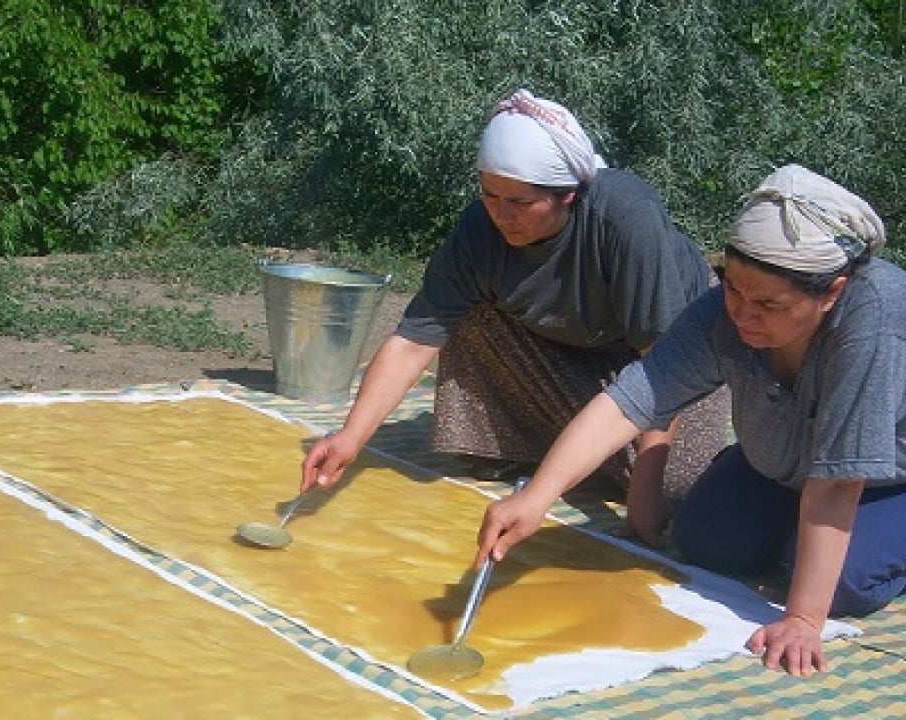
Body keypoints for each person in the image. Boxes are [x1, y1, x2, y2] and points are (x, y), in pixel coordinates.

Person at [476, 164, 906, 677]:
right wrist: (537, 497)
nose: (742, 314)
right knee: (704, 542)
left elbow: (839, 480)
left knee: (835, 587)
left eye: (767, 303)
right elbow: (631, 400)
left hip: (880, 481)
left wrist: (803, 618)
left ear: (831, 292)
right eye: (732, 287)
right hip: (774, 468)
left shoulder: (874, 322)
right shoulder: (721, 313)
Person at [300, 88, 729, 539]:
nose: (502, 215)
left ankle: (577, 452)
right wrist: (349, 438)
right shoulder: (480, 230)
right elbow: (413, 341)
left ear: (568, 195)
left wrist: (644, 498)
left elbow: (661, 367)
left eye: (521, 202)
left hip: (667, 360)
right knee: (465, 313)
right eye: (490, 195)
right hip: (573, 348)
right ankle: (551, 449)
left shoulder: (624, 217)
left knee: (679, 488)